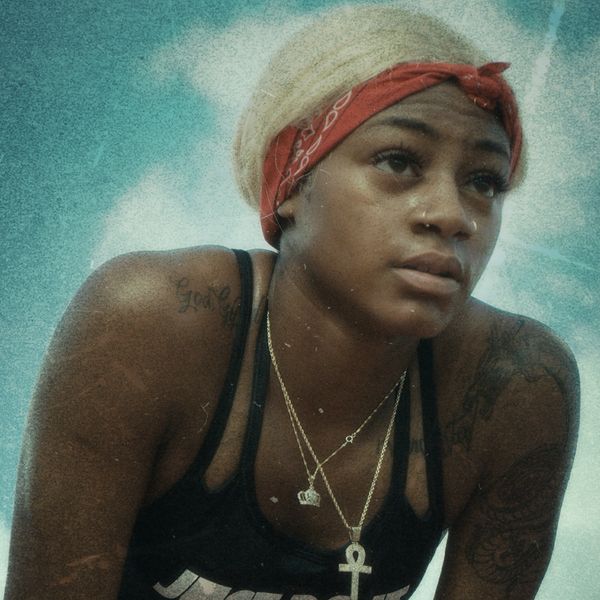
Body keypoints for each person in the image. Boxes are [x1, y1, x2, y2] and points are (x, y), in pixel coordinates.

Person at [5, 4, 579, 600]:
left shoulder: (515, 385)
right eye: (399, 161)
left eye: (484, 181)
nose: (452, 215)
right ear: (292, 179)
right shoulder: (151, 324)